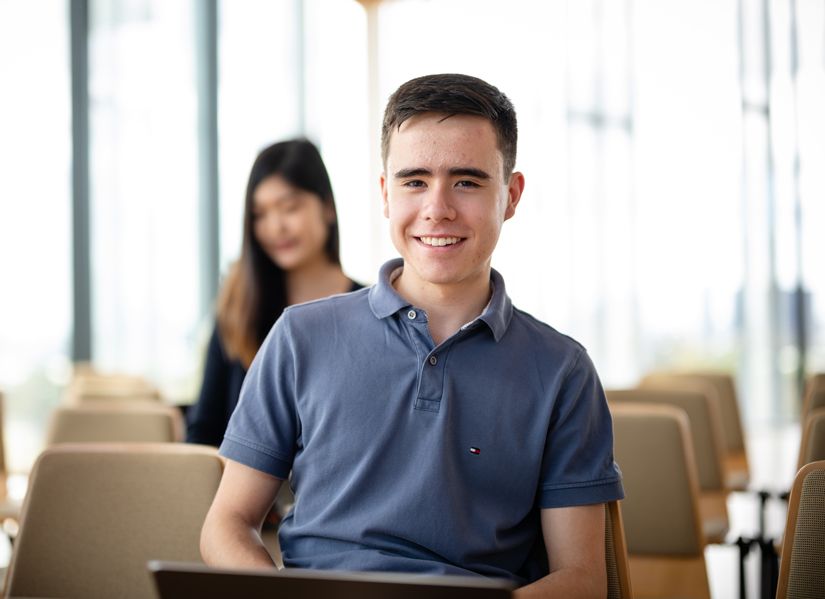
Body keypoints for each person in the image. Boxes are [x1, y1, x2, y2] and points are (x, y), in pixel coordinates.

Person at [200, 74, 624, 598]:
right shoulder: (298, 337)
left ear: (510, 196)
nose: (437, 208)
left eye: (467, 181)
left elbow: (581, 579)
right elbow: (227, 525)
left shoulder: (563, 371)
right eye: (414, 181)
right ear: (385, 193)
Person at [186, 139, 361, 447]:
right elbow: (204, 432)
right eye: (260, 214)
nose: (275, 226)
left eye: (290, 208)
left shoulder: (372, 311)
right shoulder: (238, 310)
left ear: (328, 208)